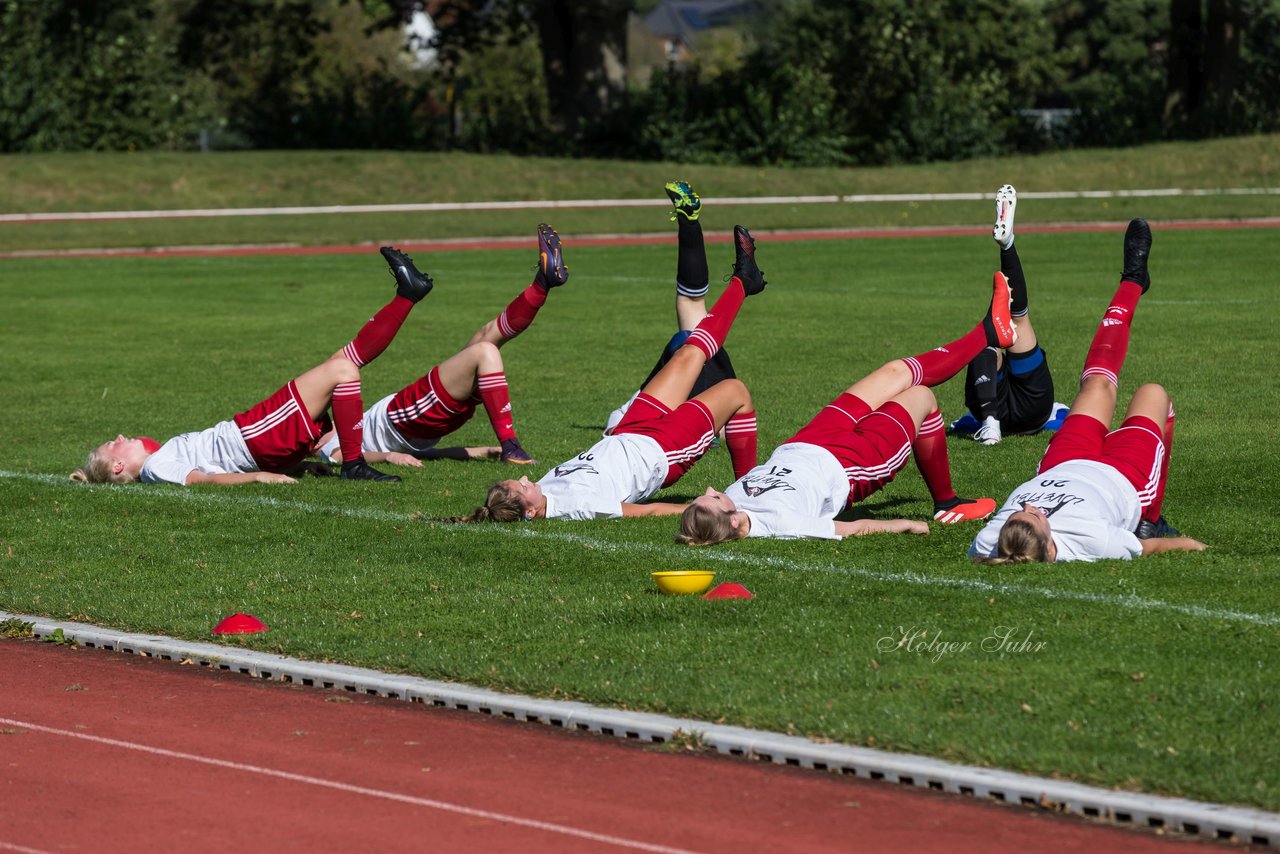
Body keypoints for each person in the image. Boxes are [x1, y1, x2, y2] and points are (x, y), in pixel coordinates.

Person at [676, 272, 1018, 544]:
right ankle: (947, 504)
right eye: (712, 500)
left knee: (894, 372)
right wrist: (904, 525)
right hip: (852, 463)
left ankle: (990, 330)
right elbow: (846, 529)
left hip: (809, 439)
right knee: (922, 397)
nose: (709, 490)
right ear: (734, 522)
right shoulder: (781, 523)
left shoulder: (730, 508)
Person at [458, 225, 767, 522]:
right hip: (661, 452)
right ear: (529, 513)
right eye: (523, 487)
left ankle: (744, 281)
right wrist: (698, 510)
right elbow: (644, 511)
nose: (526, 478)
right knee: (736, 392)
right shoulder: (576, 506)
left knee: (687, 350)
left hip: (631, 429)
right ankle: (749, 495)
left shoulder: (544, 492)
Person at [70, 246, 432, 486]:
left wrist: (294, 467)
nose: (117, 437)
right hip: (254, 438)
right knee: (343, 370)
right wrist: (260, 477)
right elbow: (205, 480)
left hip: (257, 440)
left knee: (343, 363)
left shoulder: (156, 461)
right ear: (118, 467)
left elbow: (215, 466)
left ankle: (407, 294)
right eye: (110, 445)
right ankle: (354, 466)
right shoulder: (153, 469)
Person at [969, 218, 1206, 563]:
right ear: (1052, 546)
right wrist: (1201, 549)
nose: (1031, 505)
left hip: (1063, 463)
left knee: (1097, 383)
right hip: (1125, 481)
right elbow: (1154, 551)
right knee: (1153, 394)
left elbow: (984, 553)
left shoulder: (993, 539)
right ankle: (1149, 518)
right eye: (1034, 514)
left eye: (1018, 511)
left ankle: (1133, 280)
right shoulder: (1092, 541)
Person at [315, 224, 568, 469]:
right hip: (402, 418)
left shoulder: (352, 428)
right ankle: (511, 446)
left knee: (485, 337)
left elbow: (432, 453)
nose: (322, 422)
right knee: (484, 351)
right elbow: (343, 457)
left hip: (411, 419)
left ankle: (541, 284)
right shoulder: (325, 447)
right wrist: (389, 457)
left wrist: (483, 450)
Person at [604, 180, 738, 435]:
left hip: (666, 404)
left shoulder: (629, 422)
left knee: (689, 323)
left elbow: (619, 434)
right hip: (705, 397)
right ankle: (689, 224)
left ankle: (689, 224)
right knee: (692, 309)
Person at [950, 185, 1067, 445]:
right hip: (1034, 408)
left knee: (986, 341)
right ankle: (1008, 246)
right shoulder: (1061, 413)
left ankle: (991, 426)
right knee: (1017, 319)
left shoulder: (963, 422)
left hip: (989, 405)